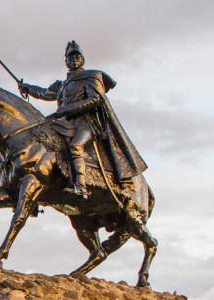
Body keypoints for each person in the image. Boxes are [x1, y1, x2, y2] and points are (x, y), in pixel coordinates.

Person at [19, 40, 146, 199]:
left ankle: (81, 188)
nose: (73, 60)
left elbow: (95, 99)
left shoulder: (91, 76)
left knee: (75, 146)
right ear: (66, 61)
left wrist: (68, 109)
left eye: (77, 57)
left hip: (86, 124)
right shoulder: (63, 84)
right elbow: (45, 93)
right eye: (70, 58)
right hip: (66, 124)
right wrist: (27, 88)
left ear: (82, 60)